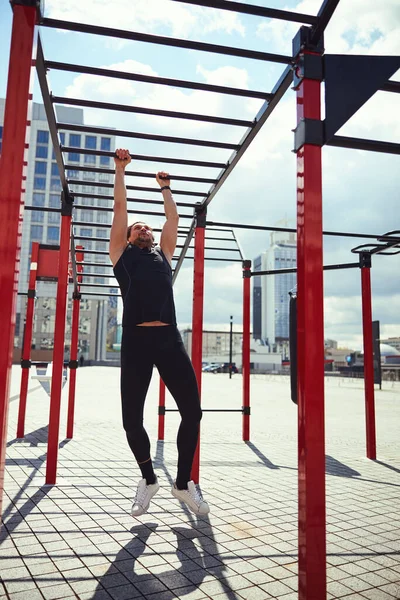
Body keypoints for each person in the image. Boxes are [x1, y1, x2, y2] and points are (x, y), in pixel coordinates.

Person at [110, 148, 209, 517]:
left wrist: (164, 188)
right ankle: (148, 478)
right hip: (136, 341)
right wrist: (121, 170)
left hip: (169, 339)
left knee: (193, 413)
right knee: (131, 421)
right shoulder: (121, 255)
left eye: (147, 228)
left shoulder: (163, 254)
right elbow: (120, 211)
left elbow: (173, 219)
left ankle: (182, 484)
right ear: (128, 236)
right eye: (139, 227)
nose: (145, 229)